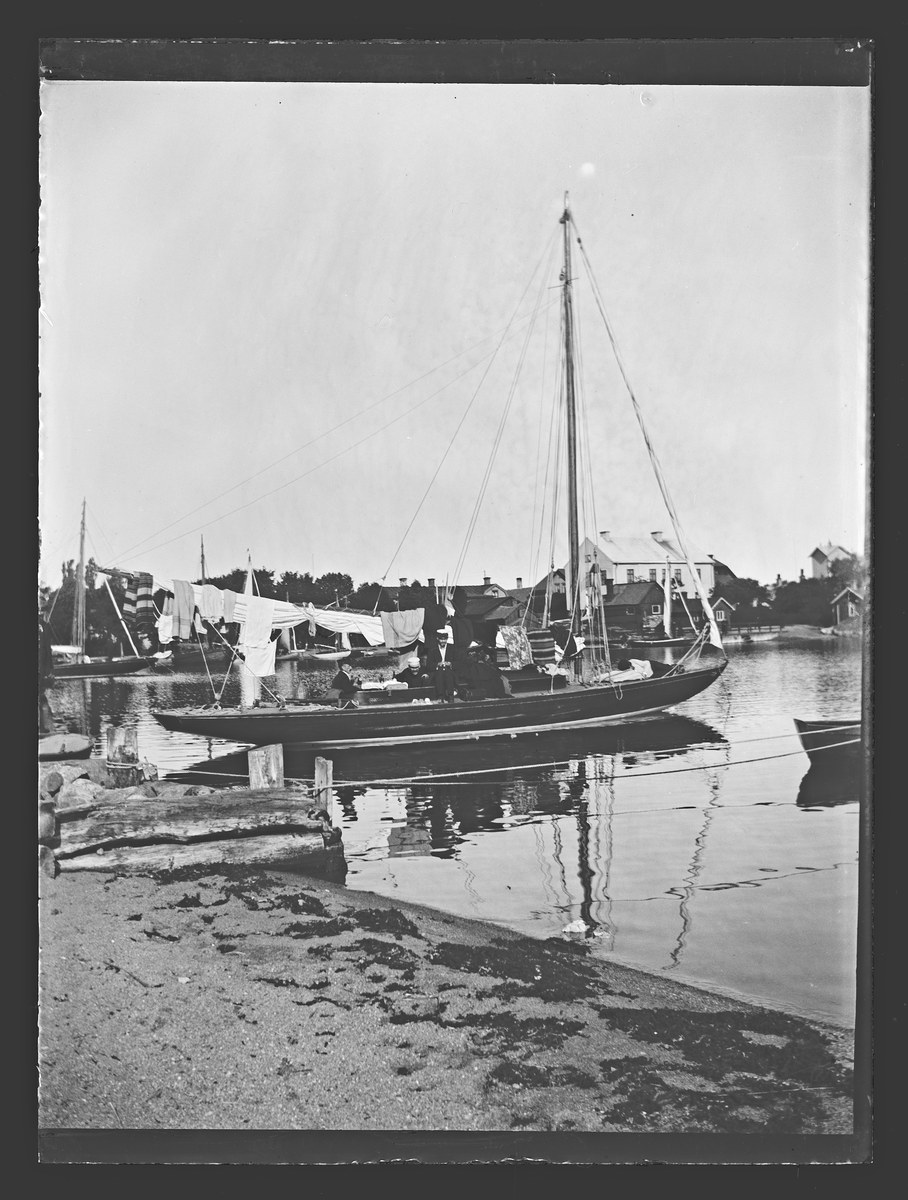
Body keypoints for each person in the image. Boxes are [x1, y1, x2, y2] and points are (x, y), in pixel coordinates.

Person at [425, 627, 456, 702]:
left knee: (448, 673)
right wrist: (437, 664)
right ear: (437, 638)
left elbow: (458, 662)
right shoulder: (432, 649)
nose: (443, 641)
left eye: (445, 639)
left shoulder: (452, 648)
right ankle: (440, 696)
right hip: (437, 672)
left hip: (450, 671)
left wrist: (450, 664)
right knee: (440, 673)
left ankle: (450, 695)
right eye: (441, 639)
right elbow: (429, 665)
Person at [38, 613, 56, 734]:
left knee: (41, 696)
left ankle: (42, 726)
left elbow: (47, 648)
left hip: (42, 666)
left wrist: (49, 668)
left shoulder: (44, 626)